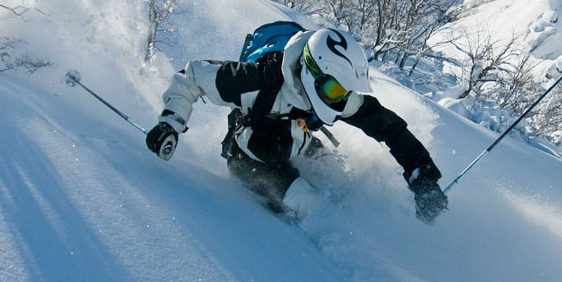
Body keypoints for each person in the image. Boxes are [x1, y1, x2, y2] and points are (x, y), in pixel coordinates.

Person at [144, 25, 449, 223]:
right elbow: (192, 77)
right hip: (250, 158)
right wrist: (170, 123)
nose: (338, 100)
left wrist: (423, 178)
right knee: (315, 207)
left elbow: (388, 127)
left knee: (342, 188)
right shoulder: (257, 79)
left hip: (298, 143)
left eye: (344, 92)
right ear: (311, 71)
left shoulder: (334, 97)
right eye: (333, 90)